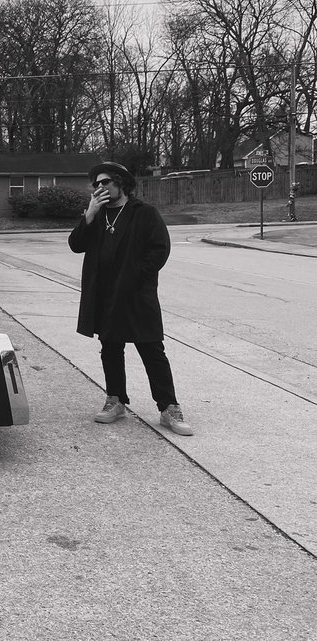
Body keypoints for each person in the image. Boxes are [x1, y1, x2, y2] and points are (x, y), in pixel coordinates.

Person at [68, 161, 194, 436]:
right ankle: (116, 400)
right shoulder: (97, 215)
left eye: (105, 182)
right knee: (110, 349)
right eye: (96, 184)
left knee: (152, 350)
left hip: (137, 295)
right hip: (105, 296)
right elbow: (76, 245)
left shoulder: (144, 213)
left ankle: (169, 407)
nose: (99, 187)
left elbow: (159, 249)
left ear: (121, 183)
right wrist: (89, 214)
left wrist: (137, 277)